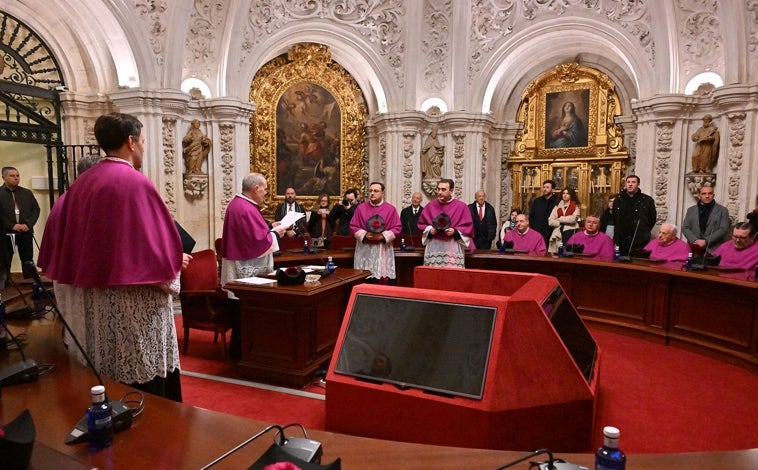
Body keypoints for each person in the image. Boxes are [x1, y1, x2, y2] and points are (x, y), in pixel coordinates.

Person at [37, 112, 189, 402]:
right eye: (143, 141)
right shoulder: (134, 182)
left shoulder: (82, 184)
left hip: (96, 302)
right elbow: (154, 245)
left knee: (108, 377)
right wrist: (172, 264)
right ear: (131, 142)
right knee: (141, 376)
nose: (144, 147)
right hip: (134, 304)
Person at [220, 172, 290, 288]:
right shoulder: (245, 208)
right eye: (265, 189)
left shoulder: (240, 203)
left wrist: (270, 227)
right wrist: (276, 234)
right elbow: (257, 240)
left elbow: (249, 232)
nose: (266, 193)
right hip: (245, 265)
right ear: (256, 189)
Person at [350, 182, 401, 284]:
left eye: (376, 191)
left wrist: (382, 236)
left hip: (382, 248)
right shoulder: (361, 208)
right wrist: (365, 235)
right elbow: (353, 226)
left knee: (381, 278)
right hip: (365, 249)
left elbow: (397, 227)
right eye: (370, 191)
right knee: (364, 278)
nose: (372, 193)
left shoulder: (390, 209)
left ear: (382, 193)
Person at [417, 178, 474, 268]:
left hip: (452, 246)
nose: (439, 192)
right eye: (438, 189)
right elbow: (421, 224)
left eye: (443, 189)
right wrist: (430, 230)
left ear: (451, 190)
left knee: (452, 276)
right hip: (434, 246)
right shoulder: (430, 206)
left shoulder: (461, 207)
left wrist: (455, 231)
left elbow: (468, 228)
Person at [1, 166, 41, 280]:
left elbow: (36, 210)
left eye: (17, 175)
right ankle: (6, 284)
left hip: (25, 231)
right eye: (12, 176)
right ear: (3, 177)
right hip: (7, 233)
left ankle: (29, 283)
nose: (16, 178)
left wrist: (28, 224)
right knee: (6, 259)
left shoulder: (26, 193)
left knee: (27, 259)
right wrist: (12, 225)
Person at [612, 175, 657, 256]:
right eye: (628, 182)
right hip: (622, 240)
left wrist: (643, 231)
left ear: (638, 184)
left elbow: (652, 219)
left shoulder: (647, 200)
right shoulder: (618, 199)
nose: (630, 184)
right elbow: (614, 218)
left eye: (633, 182)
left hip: (639, 240)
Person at [681, 185, 730, 252]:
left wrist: (706, 241)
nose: (707, 196)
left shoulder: (723, 210)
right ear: (699, 196)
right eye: (704, 193)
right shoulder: (691, 210)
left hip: (713, 249)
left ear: (713, 195)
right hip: (694, 248)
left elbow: (724, 229)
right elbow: (685, 227)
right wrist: (695, 240)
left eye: (710, 193)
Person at [548, 187, 581, 251]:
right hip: (557, 231)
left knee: (566, 250)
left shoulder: (575, 206)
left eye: (567, 193)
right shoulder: (557, 206)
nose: (565, 195)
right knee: (555, 251)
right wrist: (561, 222)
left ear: (571, 195)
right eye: (563, 193)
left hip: (570, 231)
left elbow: (573, 219)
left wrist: (560, 219)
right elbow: (550, 221)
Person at [528, 180, 558, 249]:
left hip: (551, 232)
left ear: (552, 189)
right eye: (544, 187)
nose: (545, 189)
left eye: (547, 187)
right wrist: (535, 229)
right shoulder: (537, 201)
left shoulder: (557, 201)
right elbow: (531, 216)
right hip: (537, 232)